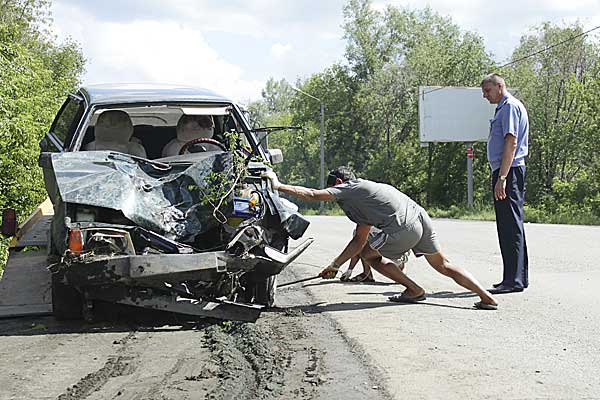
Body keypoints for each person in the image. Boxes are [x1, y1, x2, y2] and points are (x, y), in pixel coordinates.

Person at [262, 166, 498, 310]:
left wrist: (277, 184)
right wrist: (334, 265)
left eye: (332, 188)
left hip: (402, 229)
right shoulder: (366, 195)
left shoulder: (349, 188)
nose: (333, 194)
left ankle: (414, 289)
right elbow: (359, 238)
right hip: (420, 217)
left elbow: (313, 195)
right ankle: (485, 297)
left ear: (337, 183)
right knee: (443, 264)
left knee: (369, 256)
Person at [481, 73, 529, 294]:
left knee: (510, 225)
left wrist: (502, 177)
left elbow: (511, 141)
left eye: (488, 90)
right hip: (506, 171)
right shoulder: (504, 107)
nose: (485, 95)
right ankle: (515, 277)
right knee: (508, 225)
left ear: (500, 87)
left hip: (508, 172)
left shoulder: (509, 106)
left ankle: (513, 281)